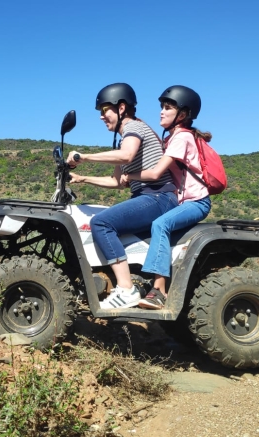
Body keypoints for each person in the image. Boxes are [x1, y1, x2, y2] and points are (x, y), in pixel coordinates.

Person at [67, 83, 177, 309]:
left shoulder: (133, 128)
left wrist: (83, 157)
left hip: (158, 196)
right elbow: (117, 182)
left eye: (104, 109)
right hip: (149, 196)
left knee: (101, 223)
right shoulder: (126, 134)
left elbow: (126, 156)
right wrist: (82, 178)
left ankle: (126, 289)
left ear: (121, 108)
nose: (101, 116)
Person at [122, 85, 212, 309]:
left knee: (160, 224)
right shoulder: (171, 139)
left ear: (182, 114)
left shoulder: (182, 138)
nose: (161, 112)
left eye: (168, 108)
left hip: (196, 202)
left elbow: (154, 173)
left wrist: (128, 174)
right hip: (182, 202)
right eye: (161, 107)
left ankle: (159, 290)